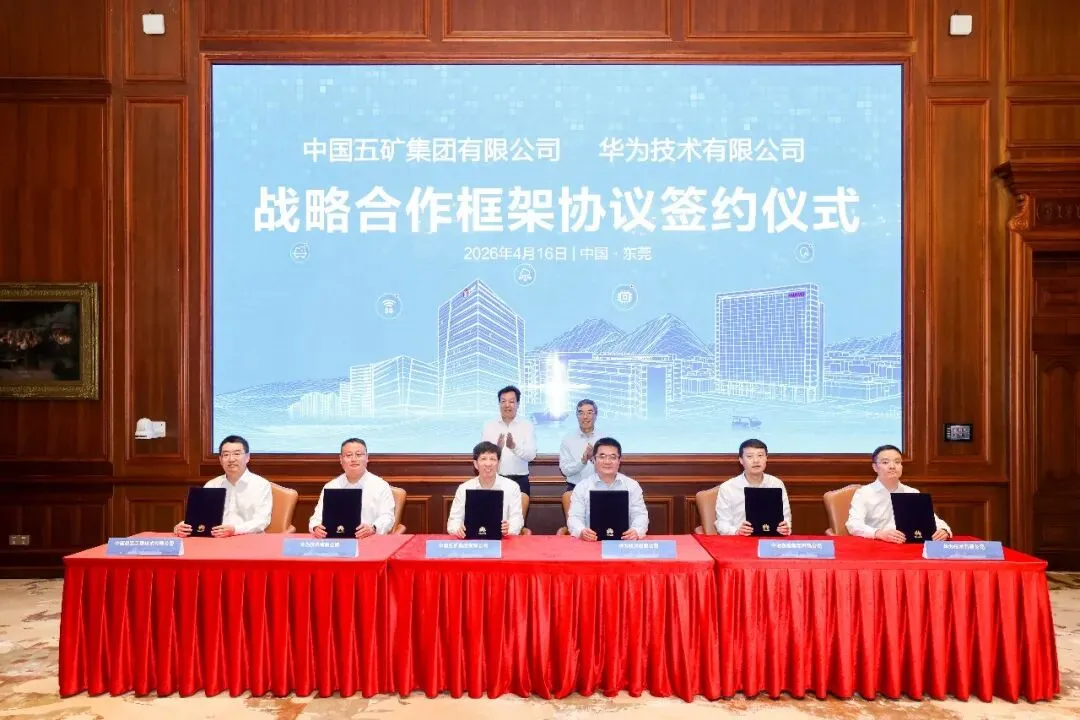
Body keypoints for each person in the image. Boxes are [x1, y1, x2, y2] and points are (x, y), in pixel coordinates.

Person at [846, 444, 952, 542]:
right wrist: (879, 533)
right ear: (875, 467)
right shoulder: (864, 493)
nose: (892, 466)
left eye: (897, 462)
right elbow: (853, 524)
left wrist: (944, 530)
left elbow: (933, 520)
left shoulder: (912, 492)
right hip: (876, 545)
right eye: (885, 462)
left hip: (907, 545)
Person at [174, 435, 272, 537]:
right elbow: (200, 519)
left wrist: (234, 530)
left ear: (247, 457)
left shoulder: (261, 485)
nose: (231, 459)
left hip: (250, 539)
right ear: (220, 459)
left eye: (237, 454)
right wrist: (184, 526)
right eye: (226, 455)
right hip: (217, 540)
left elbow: (261, 521)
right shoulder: (212, 485)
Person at [309, 438, 396, 538]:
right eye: (349, 455)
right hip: (336, 541)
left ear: (367, 458)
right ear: (341, 459)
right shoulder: (331, 486)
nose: (354, 459)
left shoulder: (380, 486)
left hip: (369, 540)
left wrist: (373, 528)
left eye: (358, 455)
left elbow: (387, 517)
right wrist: (316, 527)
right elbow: (316, 518)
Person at [566, 437, 648, 541]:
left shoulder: (632, 486)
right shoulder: (582, 487)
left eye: (613, 457)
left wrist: (636, 531)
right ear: (594, 460)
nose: (607, 461)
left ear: (619, 460)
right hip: (590, 543)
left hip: (625, 542)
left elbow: (640, 515)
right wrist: (581, 531)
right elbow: (575, 517)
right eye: (602, 456)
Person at [714, 438, 792, 536]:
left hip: (771, 539)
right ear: (741, 460)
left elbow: (786, 518)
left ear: (766, 458)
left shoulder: (776, 484)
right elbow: (722, 524)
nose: (756, 460)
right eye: (750, 456)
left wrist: (785, 527)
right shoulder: (728, 488)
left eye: (760, 455)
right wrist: (736, 531)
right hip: (739, 540)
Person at [446, 441, 525, 538]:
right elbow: (453, 522)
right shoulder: (464, 488)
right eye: (483, 459)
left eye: (493, 459)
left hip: (502, 541)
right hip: (471, 541)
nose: (488, 464)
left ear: (499, 463)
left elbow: (517, 520)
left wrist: (509, 529)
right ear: (475, 464)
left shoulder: (512, 487)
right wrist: (458, 529)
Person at [481, 385, 536, 497]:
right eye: (503, 401)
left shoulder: (527, 425)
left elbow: (531, 456)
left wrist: (514, 447)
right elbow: (482, 456)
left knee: (520, 508)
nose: (507, 405)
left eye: (511, 401)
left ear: (518, 404)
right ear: (499, 403)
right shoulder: (489, 426)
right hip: (494, 479)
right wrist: (497, 449)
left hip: (519, 480)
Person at [559, 399, 601, 493]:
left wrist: (593, 458)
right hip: (575, 488)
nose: (585, 417)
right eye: (581, 413)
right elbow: (565, 471)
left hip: (600, 488)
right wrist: (582, 462)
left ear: (595, 415)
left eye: (589, 413)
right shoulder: (568, 439)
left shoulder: (604, 439)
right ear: (577, 416)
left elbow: (610, 468)